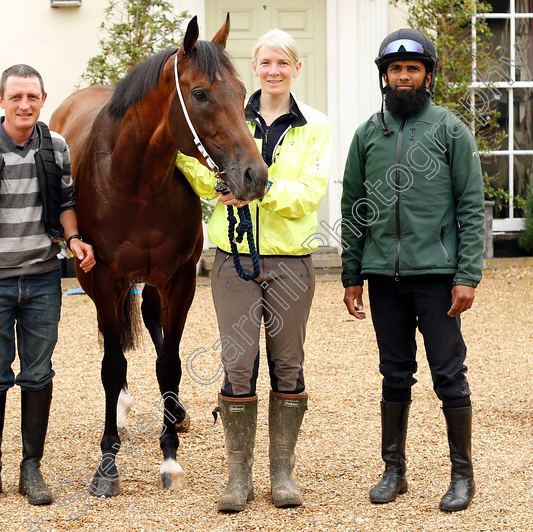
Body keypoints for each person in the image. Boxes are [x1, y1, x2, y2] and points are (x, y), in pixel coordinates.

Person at [177, 29, 331, 512]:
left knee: (288, 364)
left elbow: (310, 193)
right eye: (265, 63)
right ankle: (237, 477)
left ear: (296, 69)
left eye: (283, 63)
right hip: (233, 260)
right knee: (237, 365)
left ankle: (282, 473)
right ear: (255, 68)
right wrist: (220, 182)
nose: (273, 71)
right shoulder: (231, 114)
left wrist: (256, 189)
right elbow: (196, 165)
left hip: (291, 263)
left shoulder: (317, 126)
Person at [339, 28, 485, 512]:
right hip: (384, 281)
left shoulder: (450, 131)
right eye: (396, 69)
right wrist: (351, 274)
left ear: (428, 76)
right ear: (384, 75)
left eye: (413, 69)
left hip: (439, 279)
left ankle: (462, 476)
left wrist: (467, 275)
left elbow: (469, 205)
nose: (404, 77)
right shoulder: (367, 134)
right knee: (394, 373)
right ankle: (393, 470)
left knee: (449, 374)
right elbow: (354, 206)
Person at [0, 64, 95, 507]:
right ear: (0, 101)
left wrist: (74, 238)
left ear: (43, 99)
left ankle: (31, 467)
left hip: (44, 281)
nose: (24, 105)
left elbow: (66, 202)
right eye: (16, 97)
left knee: (38, 373)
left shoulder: (56, 145)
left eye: (32, 97)